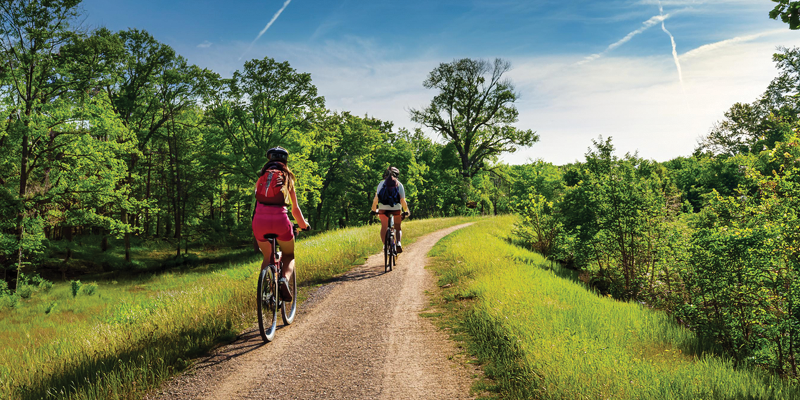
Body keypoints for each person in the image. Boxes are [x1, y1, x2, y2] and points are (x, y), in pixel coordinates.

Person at [252, 146, 310, 302]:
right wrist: (304, 225)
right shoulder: (287, 178)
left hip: (259, 223)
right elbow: (295, 210)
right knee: (289, 255)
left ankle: (265, 291)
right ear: (285, 160)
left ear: (269, 159)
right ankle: (284, 279)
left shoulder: (261, 178)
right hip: (280, 222)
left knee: (267, 256)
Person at [371, 166, 410, 253]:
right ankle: (398, 243)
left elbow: (376, 199)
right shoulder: (399, 185)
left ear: (385, 175)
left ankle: (385, 245)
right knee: (397, 227)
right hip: (396, 208)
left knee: (384, 227)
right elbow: (403, 201)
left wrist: (373, 210)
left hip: (383, 208)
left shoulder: (381, 184)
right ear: (397, 175)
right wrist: (406, 211)